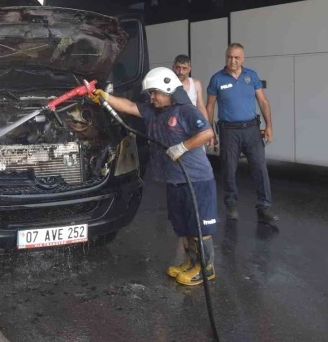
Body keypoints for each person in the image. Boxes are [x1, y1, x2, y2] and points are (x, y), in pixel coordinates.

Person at [94, 67, 217, 286]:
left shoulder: (186, 111)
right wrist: (105, 97)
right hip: (174, 179)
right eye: (151, 93)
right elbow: (130, 106)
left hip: (196, 179)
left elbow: (207, 133)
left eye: (155, 93)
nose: (152, 97)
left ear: (169, 90)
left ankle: (205, 268)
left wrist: (182, 147)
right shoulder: (154, 111)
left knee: (199, 227)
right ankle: (192, 262)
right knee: (184, 226)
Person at [206, 43, 278, 224]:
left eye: (237, 57)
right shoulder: (217, 79)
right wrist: (211, 132)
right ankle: (231, 204)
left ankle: (264, 207)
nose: (233, 60)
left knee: (260, 169)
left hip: (252, 130)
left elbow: (263, 101)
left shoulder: (251, 76)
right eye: (230, 57)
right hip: (229, 131)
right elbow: (210, 106)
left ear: (243, 58)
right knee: (229, 170)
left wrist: (269, 125)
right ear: (226, 57)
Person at [172, 54, 208, 121]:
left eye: (184, 68)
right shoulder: (167, 85)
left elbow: (201, 106)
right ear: (173, 68)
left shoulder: (196, 84)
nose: (181, 72)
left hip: (191, 122)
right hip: (173, 124)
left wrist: (207, 128)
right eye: (178, 68)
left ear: (189, 69)